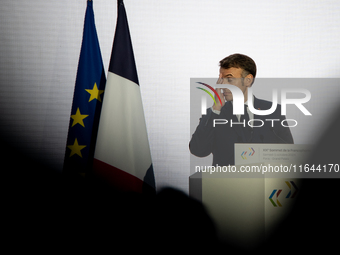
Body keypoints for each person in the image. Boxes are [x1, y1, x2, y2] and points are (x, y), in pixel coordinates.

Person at [189, 53, 294, 166]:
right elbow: (198, 150)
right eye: (221, 80)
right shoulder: (215, 114)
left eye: (229, 79)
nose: (223, 85)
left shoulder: (274, 111)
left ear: (248, 80)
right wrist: (216, 108)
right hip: (226, 182)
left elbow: (288, 155)